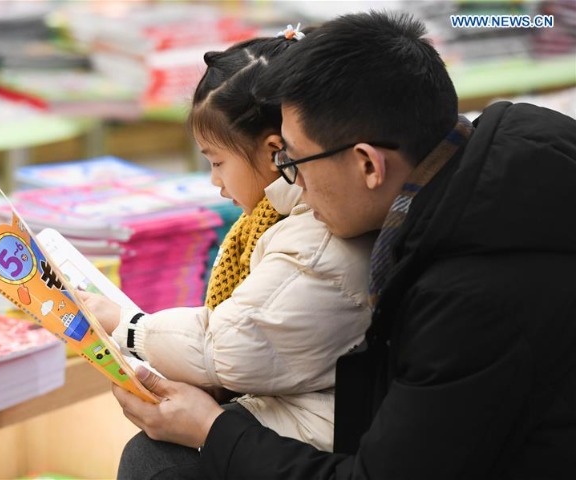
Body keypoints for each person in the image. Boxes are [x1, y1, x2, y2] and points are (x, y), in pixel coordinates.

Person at [111, 10, 576, 480]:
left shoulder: (470, 297)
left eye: (293, 161)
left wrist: (211, 431)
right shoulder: (501, 165)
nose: (290, 183)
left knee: (160, 463)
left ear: (369, 166)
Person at [78, 24, 376, 471]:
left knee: (153, 460)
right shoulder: (274, 218)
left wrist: (129, 327)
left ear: (279, 151)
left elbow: (232, 345)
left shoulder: (316, 236)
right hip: (309, 405)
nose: (215, 181)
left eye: (217, 162)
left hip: (322, 435)